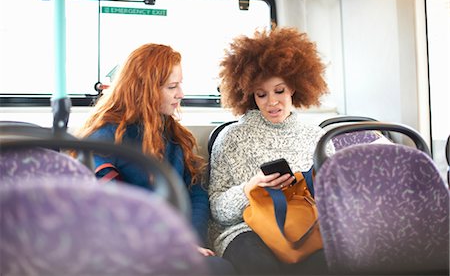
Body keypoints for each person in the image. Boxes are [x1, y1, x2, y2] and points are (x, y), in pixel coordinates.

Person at [76, 43, 235, 275]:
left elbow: (195, 191)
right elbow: (112, 208)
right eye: (172, 86)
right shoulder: (105, 138)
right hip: (131, 247)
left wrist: (191, 240)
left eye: (180, 84)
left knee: (220, 269)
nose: (181, 93)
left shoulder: (173, 134)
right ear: (145, 90)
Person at [208, 27, 335, 275]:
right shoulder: (231, 137)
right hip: (245, 230)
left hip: (303, 227)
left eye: (279, 91)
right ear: (248, 94)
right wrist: (250, 188)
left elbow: (334, 198)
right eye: (261, 94)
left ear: (295, 88)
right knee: (260, 266)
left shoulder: (316, 137)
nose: (272, 102)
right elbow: (218, 210)